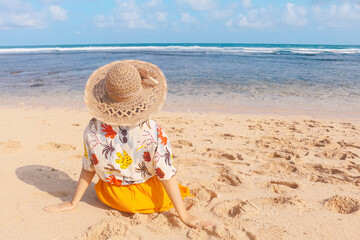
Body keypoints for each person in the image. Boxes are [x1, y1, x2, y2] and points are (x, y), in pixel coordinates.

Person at [44, 60, 213, 229]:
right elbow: (165, 173)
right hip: (145, 198)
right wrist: (184, 215)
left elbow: (89, 167)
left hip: (109, 195)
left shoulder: (92, 128)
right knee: (176, 187)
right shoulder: (153, 131)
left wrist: (74, 202)